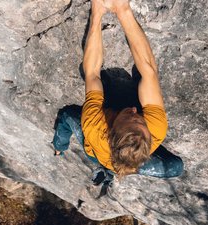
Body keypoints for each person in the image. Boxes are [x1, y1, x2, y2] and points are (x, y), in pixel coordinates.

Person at [53, 0, 183, 182]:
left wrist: (97, 12)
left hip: (98, 155)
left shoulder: (95, 128)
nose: (135, 110)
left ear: (111, 129)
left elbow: (92, 74)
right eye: (141, 120)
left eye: (129, 117)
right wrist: (123, 10)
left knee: (67, 115)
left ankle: (59, 147)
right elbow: (149, 71)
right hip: (134, 162)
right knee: (177, 168)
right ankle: (125, 168)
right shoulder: (156, 130)